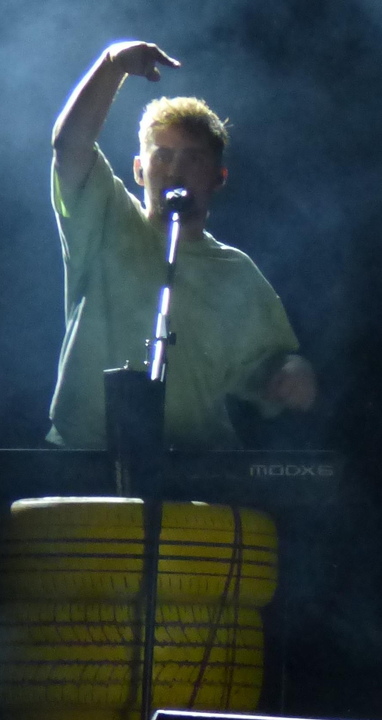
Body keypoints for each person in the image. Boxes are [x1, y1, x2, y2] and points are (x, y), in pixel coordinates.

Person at [47, 40, 317, 449]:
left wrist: (292, 370)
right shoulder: (105, 218)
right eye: (162, 156)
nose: (175, 169)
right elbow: (70, 146)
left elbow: (267, 364)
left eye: (193, 158)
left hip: (196, 470)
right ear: (139, 169)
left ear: (218, 177)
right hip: (84, 460)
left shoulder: (235, 270)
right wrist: (111, 64)